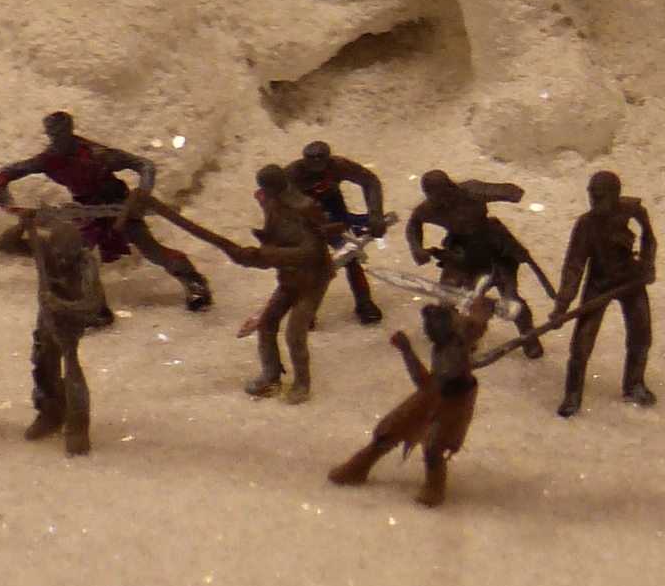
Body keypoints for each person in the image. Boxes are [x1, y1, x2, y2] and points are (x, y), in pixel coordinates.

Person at [0, 111, 213, 313]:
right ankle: (93, 306)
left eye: (61, 134)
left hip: (118, 205)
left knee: (150, 249)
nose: (57, 140)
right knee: (75, 255)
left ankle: (193, 281)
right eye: (53, 136)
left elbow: (144, 165)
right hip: (86, 212)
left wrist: (142, 194)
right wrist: (5, 200)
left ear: (70, 131)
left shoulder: (97, 154)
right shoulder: (48, 159)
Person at [328, 294, 532, 508]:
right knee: (391, 430)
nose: (460, 315)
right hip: (434, 393)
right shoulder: (454, 344)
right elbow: (425, 380)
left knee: (434, 447)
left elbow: (475, 325)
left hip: (453, 401)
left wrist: (483, 308)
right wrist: (407, 351)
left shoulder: (458, 343)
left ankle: (434, 489)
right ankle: (357, 468)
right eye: (456, 315)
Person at [188, 164, 338, 402]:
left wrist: (267, 256)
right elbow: (273, 236)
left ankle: (302, 383)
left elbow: (312, 251)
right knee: (267, 324)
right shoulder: (272, 206)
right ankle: (271, 373)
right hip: (288, 279)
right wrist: (259, 253)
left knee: (295, 334)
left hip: (312, 282)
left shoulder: (304, 209)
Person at [553, 169, 658, 414]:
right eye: (592, 195)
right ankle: (573, 394)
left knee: (641, 335)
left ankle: (634, 383)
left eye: (599, 196)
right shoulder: (586, 225)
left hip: (630, 281)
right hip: (599, 284)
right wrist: (562, 306)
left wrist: (647, 264)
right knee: (581, 344)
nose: (594, 201)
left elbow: (649, 238)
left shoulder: (632, 211)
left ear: (615, 195)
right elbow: (574, 267)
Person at [408, 170, 546, 347]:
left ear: (451, 187)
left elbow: (510, 191)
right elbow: (413, 224)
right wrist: (417, 248)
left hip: (494, 251)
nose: (443, 201)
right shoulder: (429, 209)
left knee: (511, 298)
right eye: (436, 197)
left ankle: (528, 335)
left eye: (444, 194)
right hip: (461, 255)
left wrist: (508, 194)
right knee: (447, 297)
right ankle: (450, 340)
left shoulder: (472, 191)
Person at [17, 204, 102, 454]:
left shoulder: (85, 264)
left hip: (70, 321)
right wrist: (22, 226)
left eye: (67, 257)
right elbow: (5, 245)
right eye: (58, 255)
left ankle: (78, 426)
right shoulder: (44, 251)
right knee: (43, 363)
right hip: (46, 318)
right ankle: (50, 412)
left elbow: (94, 303)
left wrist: (62, 305)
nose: (62, 261)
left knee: (71, 366)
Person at [292, 138, 389, 325]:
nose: (316, 167)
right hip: (304, 217)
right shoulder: (293, 174)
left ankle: (364, 301)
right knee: (309, 263)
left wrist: (375, 214)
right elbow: (271, 197)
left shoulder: (338, 166)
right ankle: (305, 310)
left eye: (321, 161)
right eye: (312, 161)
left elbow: (370, 181)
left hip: (334, 209)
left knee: (350, 253)